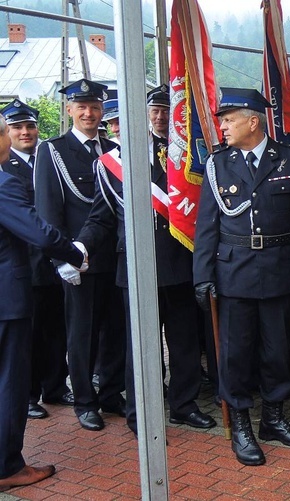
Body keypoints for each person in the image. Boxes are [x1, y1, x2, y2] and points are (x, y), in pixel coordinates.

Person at [77, 85, 216, 437]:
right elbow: (101, 218)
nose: (156, 116)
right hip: (136, 266)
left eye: (163, 110)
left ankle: (184, 406)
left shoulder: (174, 155)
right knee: (140, 346)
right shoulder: (109, 164)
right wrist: (78, 246)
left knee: (184, 342)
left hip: (177, 259)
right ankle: (141, 412)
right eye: (114, 122)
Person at [193, 88, 290, 466]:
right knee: (235, 353)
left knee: (278, 349)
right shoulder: (218, 164)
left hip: (280, 267)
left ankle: (274, 418)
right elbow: (206, 226)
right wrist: (202, 275)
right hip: (234, 270)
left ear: (253, 121)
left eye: (229, 120)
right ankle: (243, 425)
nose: (223, 127)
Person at [0, 114, 86, 492]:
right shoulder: (3, 184)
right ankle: (7, 465)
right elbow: (37, 231)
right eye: (5, 131)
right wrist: (75, 253)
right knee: (10, 382)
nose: (11, 136)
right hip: (7, 299)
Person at [34, 79, 126, 431]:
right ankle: (86, 401)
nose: (89, 113)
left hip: (113, 257)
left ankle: (111, 392)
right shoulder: (53, 151)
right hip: (79, 261)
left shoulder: (113, 150)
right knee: (82, 333)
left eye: (95, 107)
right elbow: (48, 210)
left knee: (115, 329)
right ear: (70, 110)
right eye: (82, 107)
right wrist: (61, 259)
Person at [0, 100, 71, 419]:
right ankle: (27, 394)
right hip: (23, 267)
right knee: (26, 337)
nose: (25, 132)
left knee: (55, 329)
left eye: (30, 126)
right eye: (16, 128)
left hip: (52, 264)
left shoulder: (49, 156)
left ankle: (55, 386)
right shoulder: (5, 170)